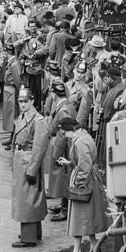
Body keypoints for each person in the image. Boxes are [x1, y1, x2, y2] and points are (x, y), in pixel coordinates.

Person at [58, 117, 111, 252]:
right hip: (91, 180)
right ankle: (94, 246)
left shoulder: (79, 141)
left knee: (78, 218)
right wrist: (70, 162)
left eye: (64, 133)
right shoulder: (84, 136)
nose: (64, 136)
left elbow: (85, 166)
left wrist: (78, 185)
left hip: (85, 182)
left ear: (71, 130)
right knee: (87, 217)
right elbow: (85, 161)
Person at [10, 88, 49, 247]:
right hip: (21, 160)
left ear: (32, 101)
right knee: (27, 199)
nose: (23, 104)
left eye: (26, 101)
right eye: (20, 101)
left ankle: (28, 237)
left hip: (28, 162)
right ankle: (33, 233)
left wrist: (32, 170)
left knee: (28, 201)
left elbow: (39, 148)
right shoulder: (23, 117)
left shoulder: (38, 120)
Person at [44, 78, 76, 222]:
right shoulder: (66, 105)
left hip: (62, 147)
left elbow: (64, 131)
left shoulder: (63, 110)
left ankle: (65, 208)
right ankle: (63, 204)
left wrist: (56, 152)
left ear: (54, 94)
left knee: (63, 177)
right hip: (63, 145)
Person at [0, 42, 22, 149]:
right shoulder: (10, 62)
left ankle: (15, 140)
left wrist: (19, 95)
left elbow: (17, 81)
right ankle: (12, 137)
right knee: (10, 115)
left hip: (13, 92)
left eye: (3, 52)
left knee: (14, 115)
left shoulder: (14, 64)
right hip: (9, 91)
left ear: (7, 52)